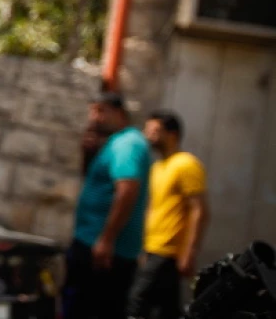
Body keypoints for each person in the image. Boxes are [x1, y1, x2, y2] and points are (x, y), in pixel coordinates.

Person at [61, 91, 152, 319]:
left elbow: (127, 189)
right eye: (92, 110)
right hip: (95, 244)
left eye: (101, 111)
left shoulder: (128, 144)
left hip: (103, 251)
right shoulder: (115, 142)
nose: (94, 117)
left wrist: (107, 239)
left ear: (119, 114)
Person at [127, 110, 209, 319]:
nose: (148, 135)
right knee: (166, 310)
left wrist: (189, 252)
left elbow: (199, 209)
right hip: (152, 248)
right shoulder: (158, 167)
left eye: (154, 130)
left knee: (137, 301)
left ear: (172, 134)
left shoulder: (186, 164)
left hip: (168, 251)